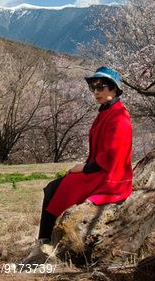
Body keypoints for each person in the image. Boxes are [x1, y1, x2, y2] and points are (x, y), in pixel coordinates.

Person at [24, 66, 133, 263]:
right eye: (93, 88)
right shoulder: (107, 112)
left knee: (54, 190)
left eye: (101, 87)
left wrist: (82, 168)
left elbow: (110, 156)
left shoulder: (118, 116)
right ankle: (43, 243)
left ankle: (42, 245)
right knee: (54, 189)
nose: (96, 92)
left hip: (110, 177)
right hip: (102, 170)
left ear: (115, 89)